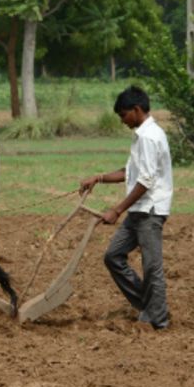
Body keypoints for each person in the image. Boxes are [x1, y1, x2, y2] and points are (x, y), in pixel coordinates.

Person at [79, 85, 173, 330]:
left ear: (137, 109)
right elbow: (129, 173)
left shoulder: (150, 138)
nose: (122, 121)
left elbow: (146, 181)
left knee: (152, 267)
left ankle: (159, 321)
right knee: (113, 257)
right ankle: (149, 306)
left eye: (123, 115)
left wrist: (117, 210)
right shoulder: (141, 135)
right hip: (138, 210)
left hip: (150, 210)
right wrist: (97, 178)